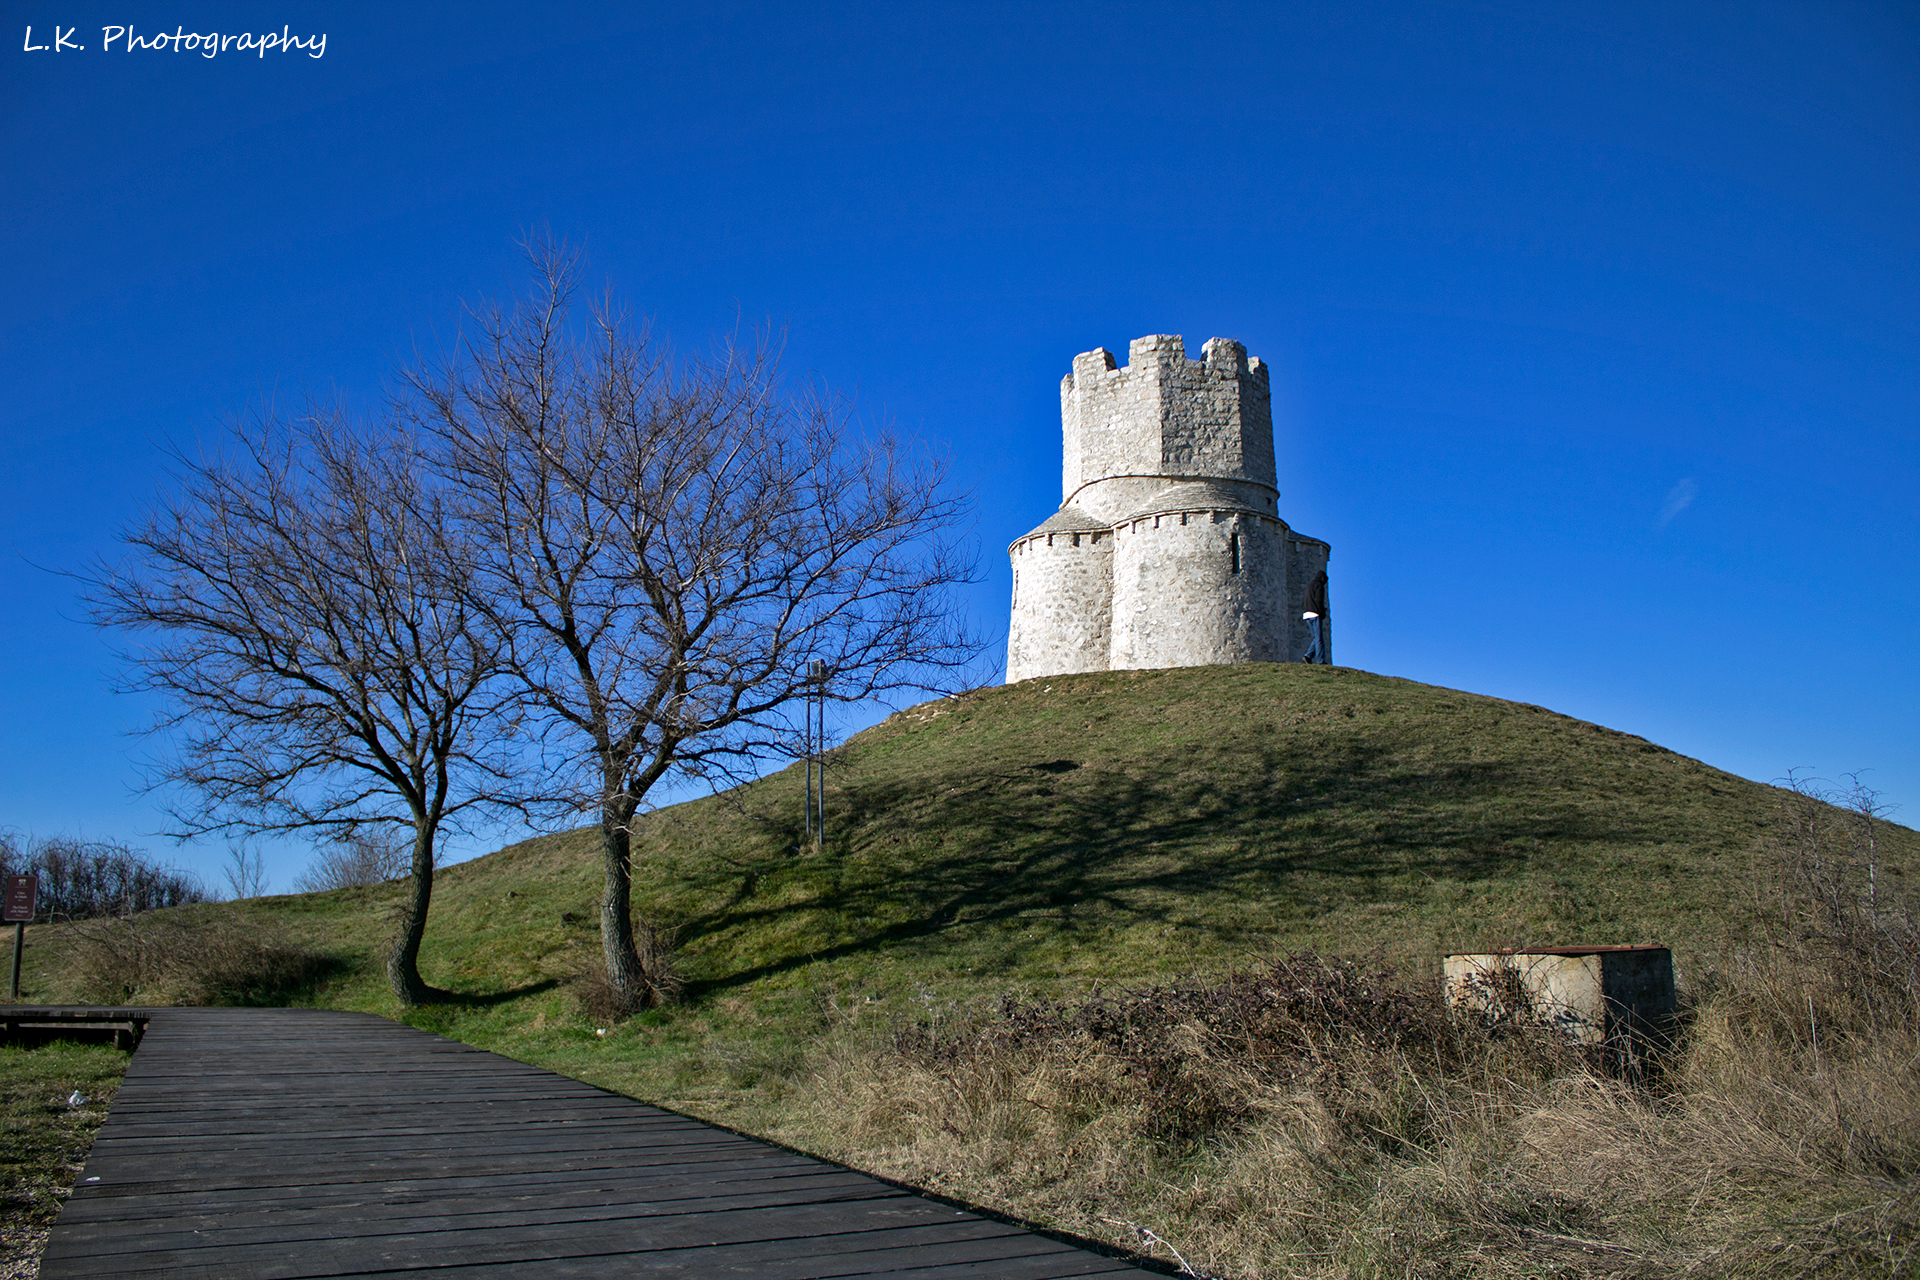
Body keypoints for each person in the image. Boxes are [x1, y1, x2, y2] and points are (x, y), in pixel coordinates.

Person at [1302, 569, 1329, 664]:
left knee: (1316, 637)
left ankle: (1308, 656)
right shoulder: (1319, 586)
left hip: (1306, 614)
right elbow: (1319, 601)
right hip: (1315, 614)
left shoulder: (1309, 586)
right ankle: (1320, 660)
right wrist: (1322, 613)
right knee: (1319, 638)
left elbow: (1304, 601)